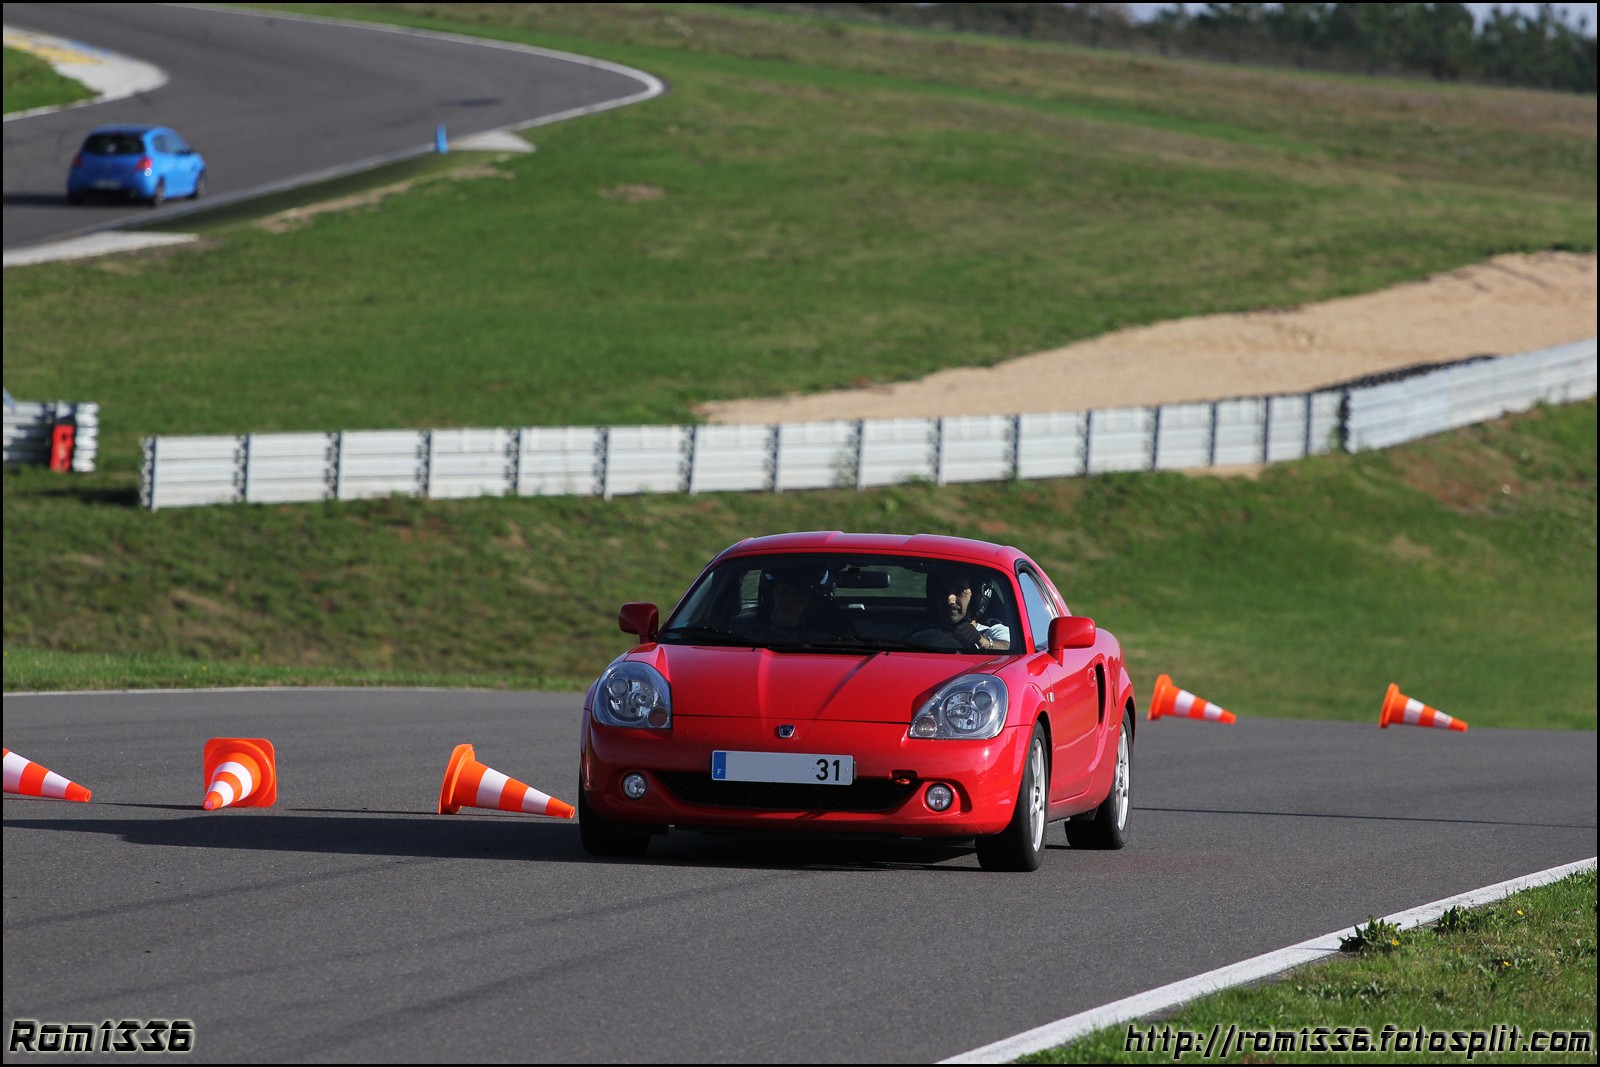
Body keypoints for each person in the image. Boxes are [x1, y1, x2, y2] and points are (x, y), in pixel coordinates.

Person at [741, 567, 838, 645]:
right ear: (770, 596)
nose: (788, 599)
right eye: (782, 592)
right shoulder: (741, 636)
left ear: (812, 604)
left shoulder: (825, 644)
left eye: (798, 595)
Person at [925, 568, 1011, 651]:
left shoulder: (993, 632)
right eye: (943, 591)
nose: (950, 599)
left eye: (960, 591)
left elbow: (1008, 647)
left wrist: (983, 642)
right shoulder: (923, 631)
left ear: (974, 598)